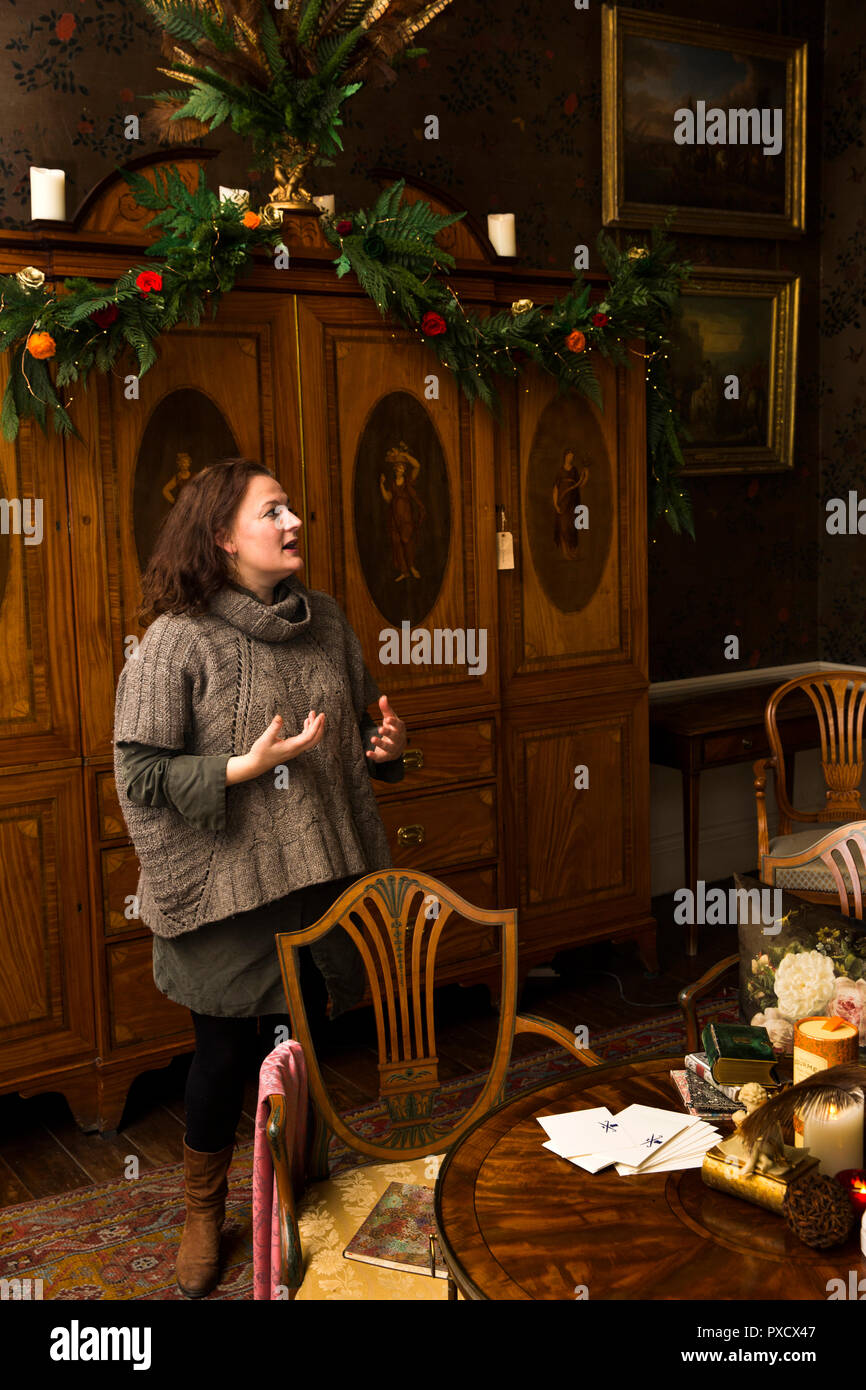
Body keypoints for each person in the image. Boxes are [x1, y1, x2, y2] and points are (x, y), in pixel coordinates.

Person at [112, 456, 407, 1298]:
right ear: (221, 536)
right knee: (222, 1057)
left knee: (304, 1047)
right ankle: (206, 1210)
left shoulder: (328, 622)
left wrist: (385, 749)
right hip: (226, 894)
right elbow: (138, 774)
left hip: (317, 884)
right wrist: (240, 769)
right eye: (272, 512)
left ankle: (295, 1193)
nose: (293, 524)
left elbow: (360, 730)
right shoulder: (177, 639)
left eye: (291, 509)